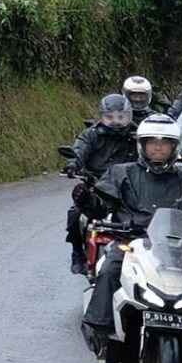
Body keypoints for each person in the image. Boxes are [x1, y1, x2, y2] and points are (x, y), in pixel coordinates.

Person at [81, 115, 182, 355]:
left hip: (174, 249)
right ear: (142, 145)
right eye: (152, 142)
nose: (158, 147)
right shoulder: (121, 173)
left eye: (165, 142)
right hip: (130, 243)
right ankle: (101, 329)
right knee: (109, 270)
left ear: (175, 147)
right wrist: (86, 198)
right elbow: (100, 204)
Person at [63, 93, 139, 274]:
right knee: (75, 214)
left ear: (128, 116)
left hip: (129, 186)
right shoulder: (91, 135)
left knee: (144, 216)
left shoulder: (138, 137)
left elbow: (149, 155)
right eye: (109, 117)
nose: (115, 122)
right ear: (102, 116)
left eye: (120, 117)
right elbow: (80, 150)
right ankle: (77, 253)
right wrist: (72, 165)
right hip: (96, 184)